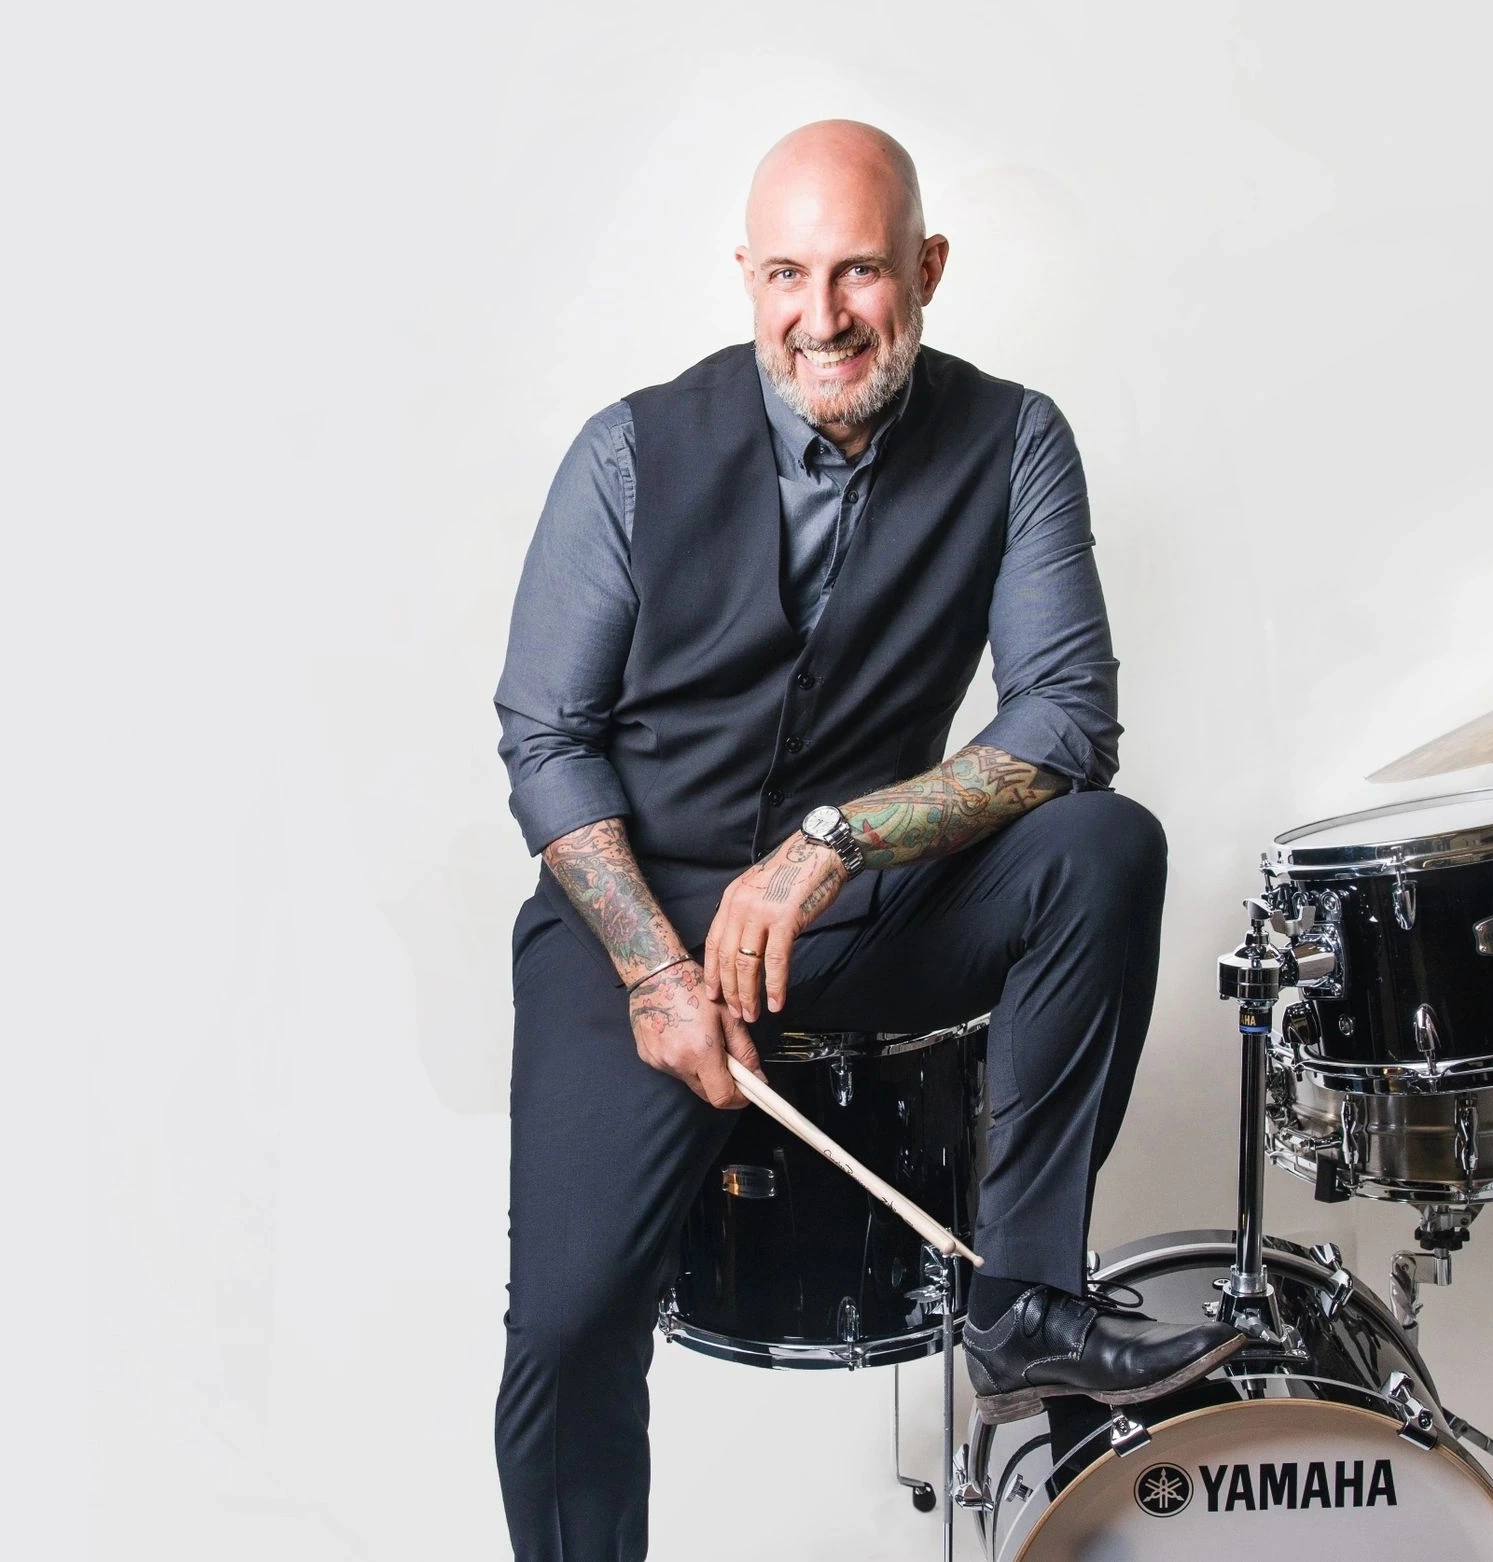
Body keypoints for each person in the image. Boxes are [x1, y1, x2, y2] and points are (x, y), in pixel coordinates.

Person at [489, 120, 1242, 1559]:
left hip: (864, 903)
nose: (820, 315)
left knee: (1102, 845)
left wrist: (835, 838)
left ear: (927, 270)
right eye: (787, 272)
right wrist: (655, 970)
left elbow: (1067, 717)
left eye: (858, 272)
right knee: (569, 1329)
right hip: (631, 924)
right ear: (746, 277)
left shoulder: (1018, 439)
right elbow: (546, 736)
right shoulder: (627, 454)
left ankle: (1024, 1304)